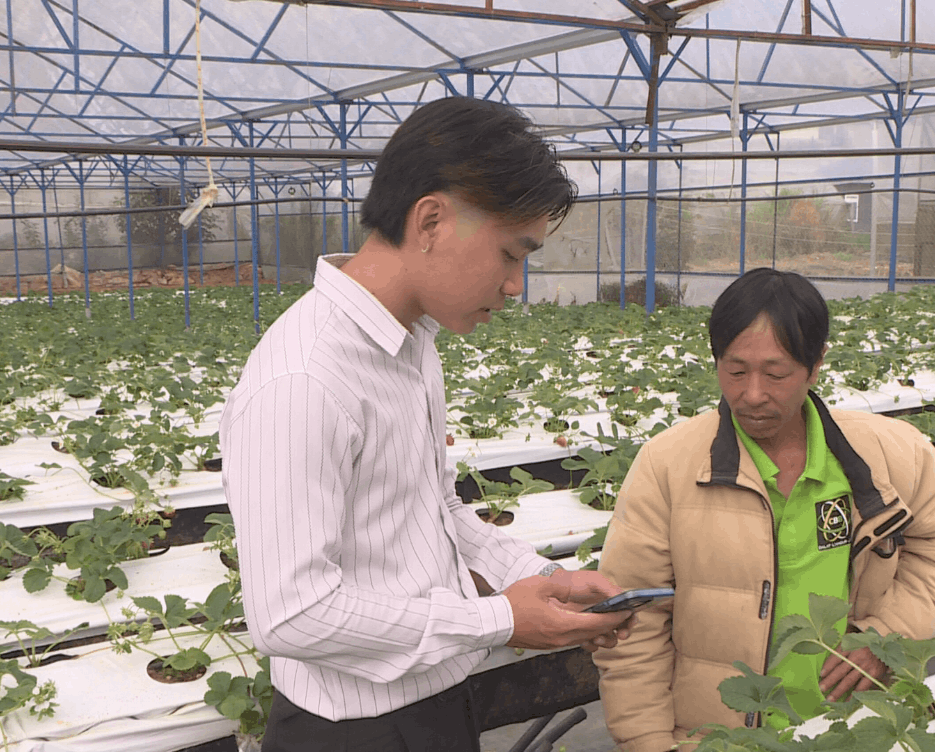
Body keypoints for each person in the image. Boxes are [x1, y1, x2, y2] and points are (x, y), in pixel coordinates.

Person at [219, 97, 634, 752]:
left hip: (435, 702)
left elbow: (436, 510)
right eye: (510, 254)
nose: (516, 284)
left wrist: (541, 581)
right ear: (431, 221)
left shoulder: (414, 345)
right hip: (351, 734)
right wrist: (499, 619)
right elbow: (292, 615)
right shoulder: (305, 377)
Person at [592, 268, 935, 752]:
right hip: (719, 739)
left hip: (855, 730)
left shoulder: (888, 453)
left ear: (815, 366)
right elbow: (634, 620)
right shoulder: (669, 464)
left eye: (776, 374)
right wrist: (648, 742)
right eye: (735, 371)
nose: (753, 394)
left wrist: (886, 638)